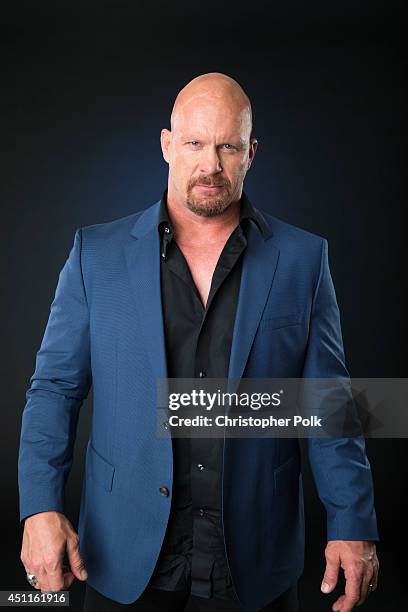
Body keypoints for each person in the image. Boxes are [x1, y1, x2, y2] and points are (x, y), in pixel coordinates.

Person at [18, 72, 379, 612]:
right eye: (194, 143)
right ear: (167, 146)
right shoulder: (95, 254)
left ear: (250, 152)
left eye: (227, 146)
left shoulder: (304, 260)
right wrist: (39, 508)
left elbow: (330, 402)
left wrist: (352, 521)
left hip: (255, 557)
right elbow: (54, 389)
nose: (210, 165)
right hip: (122, 555)